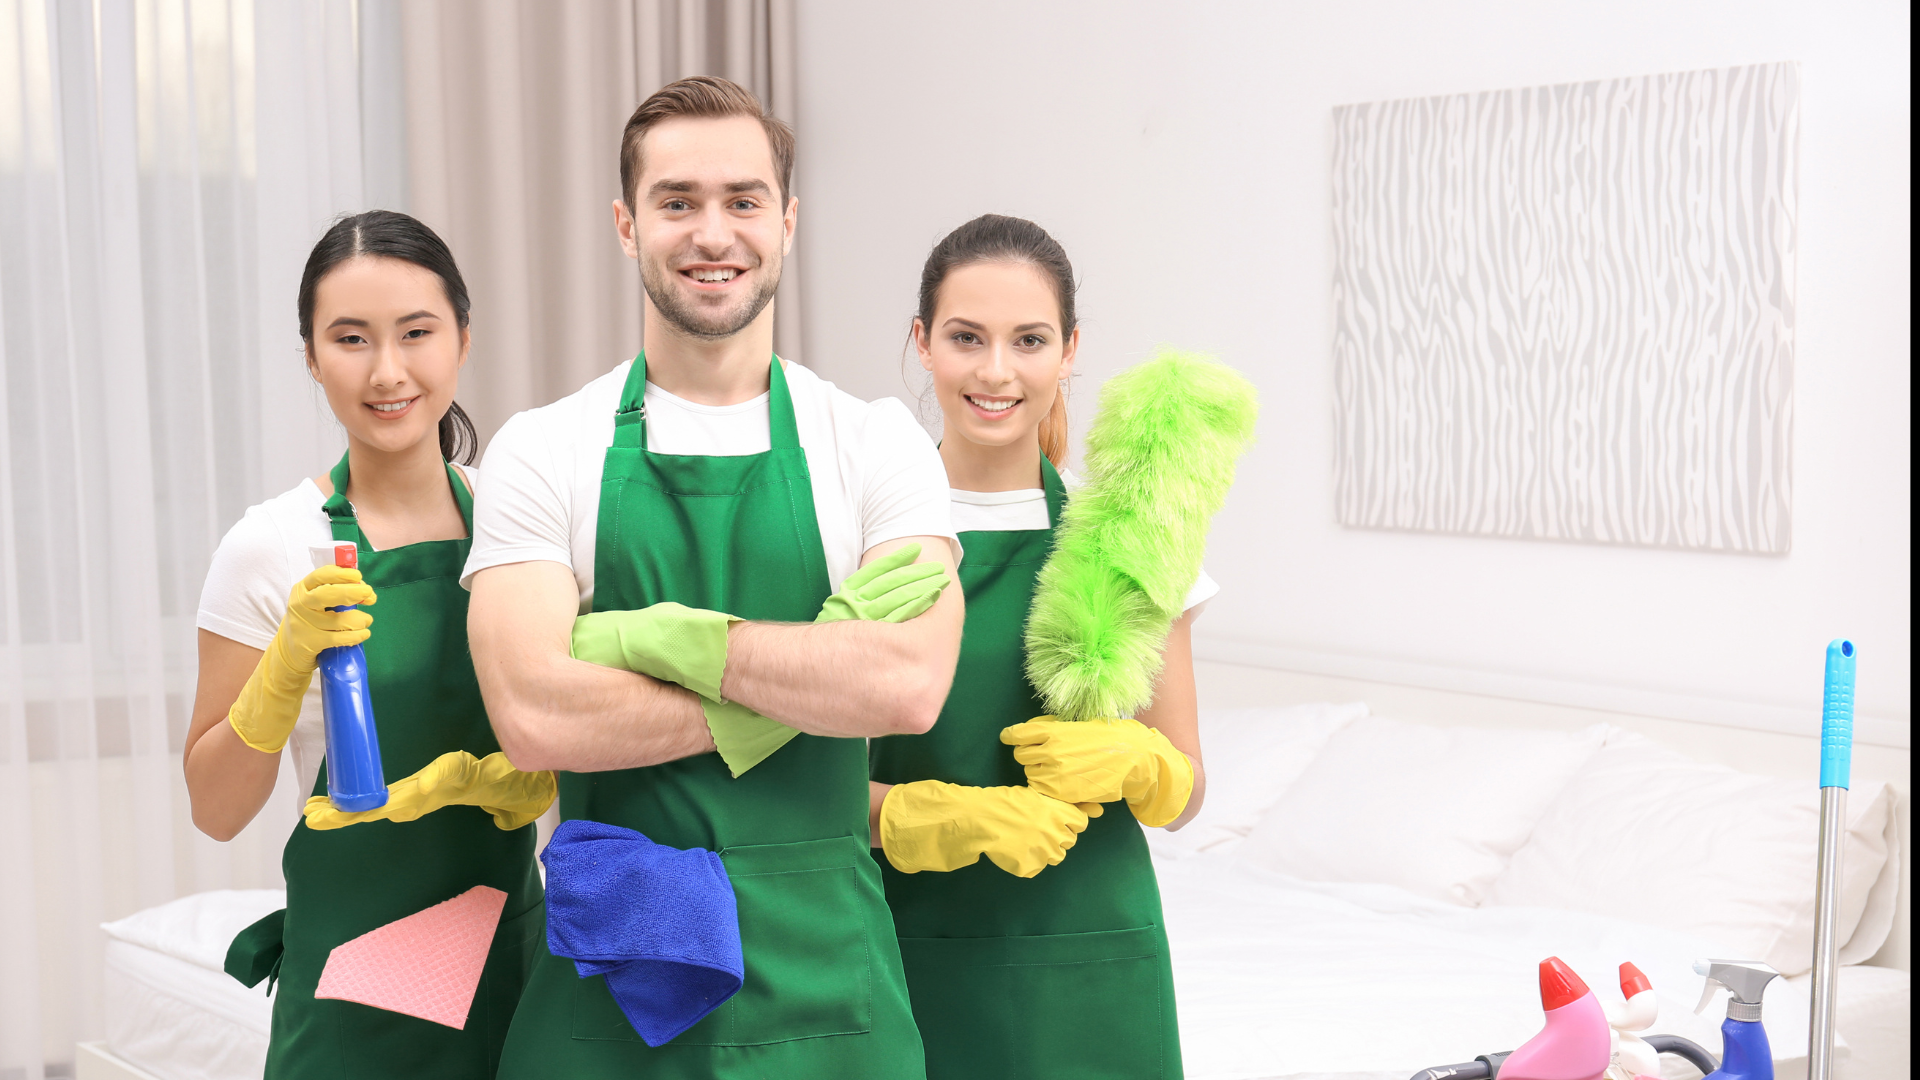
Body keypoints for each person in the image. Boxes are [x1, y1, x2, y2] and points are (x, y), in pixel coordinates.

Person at [465, 76, 962, 1078]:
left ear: (786, 222)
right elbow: (533, 714)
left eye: (742, 201)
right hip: (614, 981)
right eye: (676, 201)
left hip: (830, 986)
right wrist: (807, 684)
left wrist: (653, 642)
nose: (712, 233)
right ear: (626, 223)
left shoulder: (876, 444)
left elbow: (904, 687)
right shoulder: (543, 449)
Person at [186, 211, 552, 1078]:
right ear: (311, 356)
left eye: (416, 333)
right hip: (359, 989)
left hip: (515, 960)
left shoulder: (523, 521)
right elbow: (215, 808)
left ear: (464, 338)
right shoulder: (270, 545)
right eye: (350, 339)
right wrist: (279, 675)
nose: (387, 371)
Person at [868, 214, 1213, 1079]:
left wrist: (1144, 766)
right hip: (902, 950)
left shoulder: (1131, 541)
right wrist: (920, 815)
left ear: (1069, 351)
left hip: (1094, 963)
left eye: (1028, 340)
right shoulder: (859, 534)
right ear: (922, 344)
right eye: (965, 337)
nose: (996, 371)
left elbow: (1186, 790)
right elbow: (796, 791)